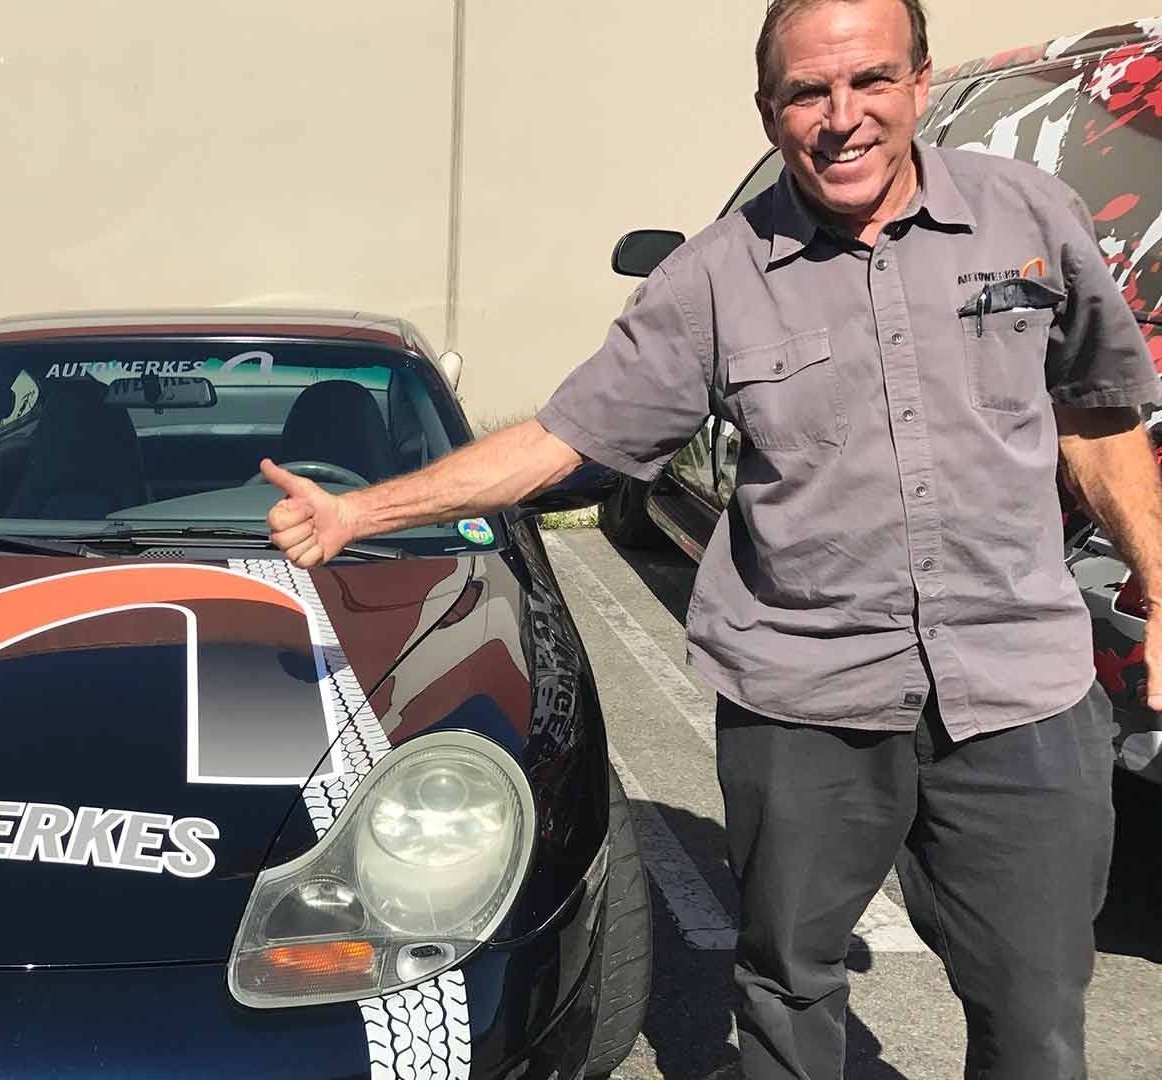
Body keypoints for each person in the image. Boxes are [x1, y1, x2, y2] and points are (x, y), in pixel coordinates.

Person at [261, 1, 1162, 1076]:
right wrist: (358, 511)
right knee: (788, 983)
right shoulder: (712, 279)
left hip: (1020, 688)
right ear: (768, 110)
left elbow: (1099, 419)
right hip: (806, 697)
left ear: (922, 82)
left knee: (1035, 999)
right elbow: (561, 438)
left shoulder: (1031, 215)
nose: (842, 116)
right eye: (807, 92)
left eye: (871, 81)